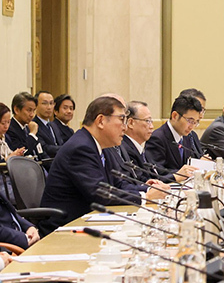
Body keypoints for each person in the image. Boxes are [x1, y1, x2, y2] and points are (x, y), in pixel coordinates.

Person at [39, 96, 166, 232]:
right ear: (100, 121)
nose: (125, 127)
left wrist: (146, 188)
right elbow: (100, 194)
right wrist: (145, 197)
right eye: (121, 119)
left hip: (89, 220)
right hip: (65, 226)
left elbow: (117, 184)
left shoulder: (101, 146)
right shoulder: (81, 147)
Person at [145, 95, 204, 173]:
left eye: (195, 122)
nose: (192, 127)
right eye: (190, 121)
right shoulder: (157, 138)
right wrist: (179, 173)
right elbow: (157, 171)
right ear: (175, 116)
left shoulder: (188, 136)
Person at [5, 92, 44, 159]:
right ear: (16, 110)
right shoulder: (9, 128)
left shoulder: (28, 127)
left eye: (34, 110)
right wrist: (32, 134)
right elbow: (23, 152)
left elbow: (40, 150)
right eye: (29, 110)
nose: (32, 114)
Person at [177, 88, 207, 159]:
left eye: (202, 110)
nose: (201, 115)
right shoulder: (172, 136)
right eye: (198, 109)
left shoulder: (192, 135)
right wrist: (200, 163)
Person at [33, 91, 63, 156]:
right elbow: (44, 148)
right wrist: (65, 149)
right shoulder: (34, 125)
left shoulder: (54, 125)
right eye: (44, 103)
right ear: (36, 105)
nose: (49, 107)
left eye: (51, 103)